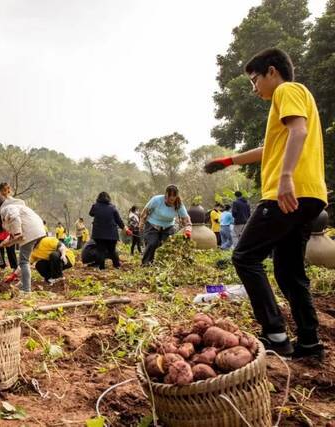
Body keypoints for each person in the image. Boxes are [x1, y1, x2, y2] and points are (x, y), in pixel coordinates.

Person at [204, 48, 327, 359]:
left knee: (245, 256)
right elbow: (268, 148)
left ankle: (275, 334)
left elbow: (298, 131)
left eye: (254, 80)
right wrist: (229, 160)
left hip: (287, 193)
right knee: (289, 271)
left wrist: (286, 178)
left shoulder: (287, 90)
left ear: (272, 71)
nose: (254, 87)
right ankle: (309, 343)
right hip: (310, 196)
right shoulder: (291, 102)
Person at [0, 197, 46, 294]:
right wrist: (6, 243)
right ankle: (24, 284)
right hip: (37, 230)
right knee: (25, 260)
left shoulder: (8, 208)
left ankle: (26, 289)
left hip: (30, 232)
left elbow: (14, 219)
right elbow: (13, 234)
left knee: (23, 261)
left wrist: (17, 234)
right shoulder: (20, 208)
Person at [139, 185, 192, 265]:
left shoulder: (179, 204)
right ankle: (146, 263)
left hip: (168, 226)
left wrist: (188, 228)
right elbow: (145, 211)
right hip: (152, 225)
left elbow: (185, 219)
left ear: (176, 197)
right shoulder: (156, 200)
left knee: (167, 244)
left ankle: (165, 263)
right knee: (152, 243)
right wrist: (141, 224)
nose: (171, 200)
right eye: (169, 197)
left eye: (173, 198)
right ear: (166, 195)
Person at [89, 192, 127, 270]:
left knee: (100, 250)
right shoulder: (113, 207)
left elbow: (91, 214)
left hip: (98, 234)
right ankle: (117, 266)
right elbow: (118, 220)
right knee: (112, 250)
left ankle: (101, 267)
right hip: (112, 234)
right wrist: (124, 228)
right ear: (108, 198)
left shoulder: (95, 206)